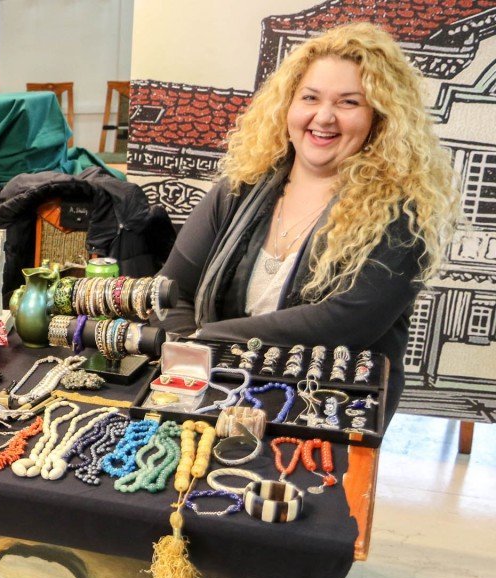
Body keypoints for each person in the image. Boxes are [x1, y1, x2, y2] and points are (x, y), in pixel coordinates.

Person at [155, 22, 458, 420]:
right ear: (288, 106)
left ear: (380, 118)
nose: (324, 117)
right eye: (310, 97)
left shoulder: (402, 215)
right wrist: (185, 361)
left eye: (349, 102)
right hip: (212, 391)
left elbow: (344, 324)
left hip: (328, 407)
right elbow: (171, 291)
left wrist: (203, 341)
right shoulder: (237, 191)